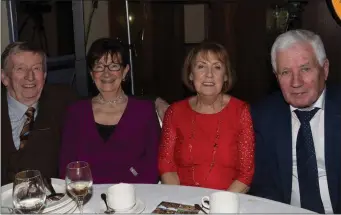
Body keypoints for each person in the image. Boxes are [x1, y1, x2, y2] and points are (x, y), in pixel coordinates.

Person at [250, 30, 341, 214]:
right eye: (285, 72)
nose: (296, 82)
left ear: (325, 69)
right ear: (276, 78)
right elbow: (264, 186)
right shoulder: (263, 116)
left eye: (305, 69)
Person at [59, 38, 161, 184]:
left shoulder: (144, 111)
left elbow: (152, 167)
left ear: (125, 71)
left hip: (134, 197)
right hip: (87, 197)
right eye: (99, 66)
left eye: (114, 66)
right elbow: (66, 168)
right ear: (91, 73)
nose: (106, 73)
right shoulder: (76, 112)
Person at [158, 42, 255, 192]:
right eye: (201, 66)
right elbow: (166, 165)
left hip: (228, 201)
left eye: (217, 67)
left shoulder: (240, 111)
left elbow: (246, 174)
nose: (209, 74)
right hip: (183, 201)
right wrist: (179, 201)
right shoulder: (175, 112)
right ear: (191, 74)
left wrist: (220, 205)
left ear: (225, 76)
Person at [1, 42, 77, 185]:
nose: (30, 77)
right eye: (20, 69)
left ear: (45, 75)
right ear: (4, 77)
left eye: (36, 68)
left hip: (50, 202)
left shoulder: (64, 102)